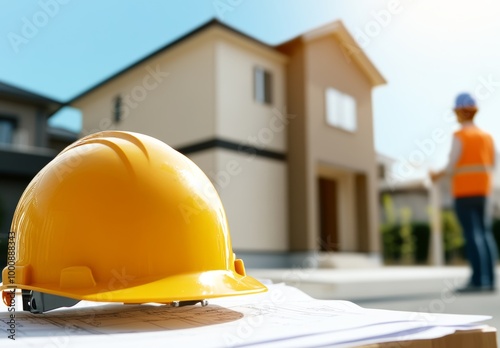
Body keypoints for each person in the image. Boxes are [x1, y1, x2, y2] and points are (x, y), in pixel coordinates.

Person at [430, 92, 497, 292]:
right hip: (484, 191)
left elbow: (451, 166)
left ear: (459, 112)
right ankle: (489, 280)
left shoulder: (460, 136)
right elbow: (494, 163)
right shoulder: (487, 137)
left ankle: (477, 280)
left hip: (465, 192)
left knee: (472, 233)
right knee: (485, 233)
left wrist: (436, 175)